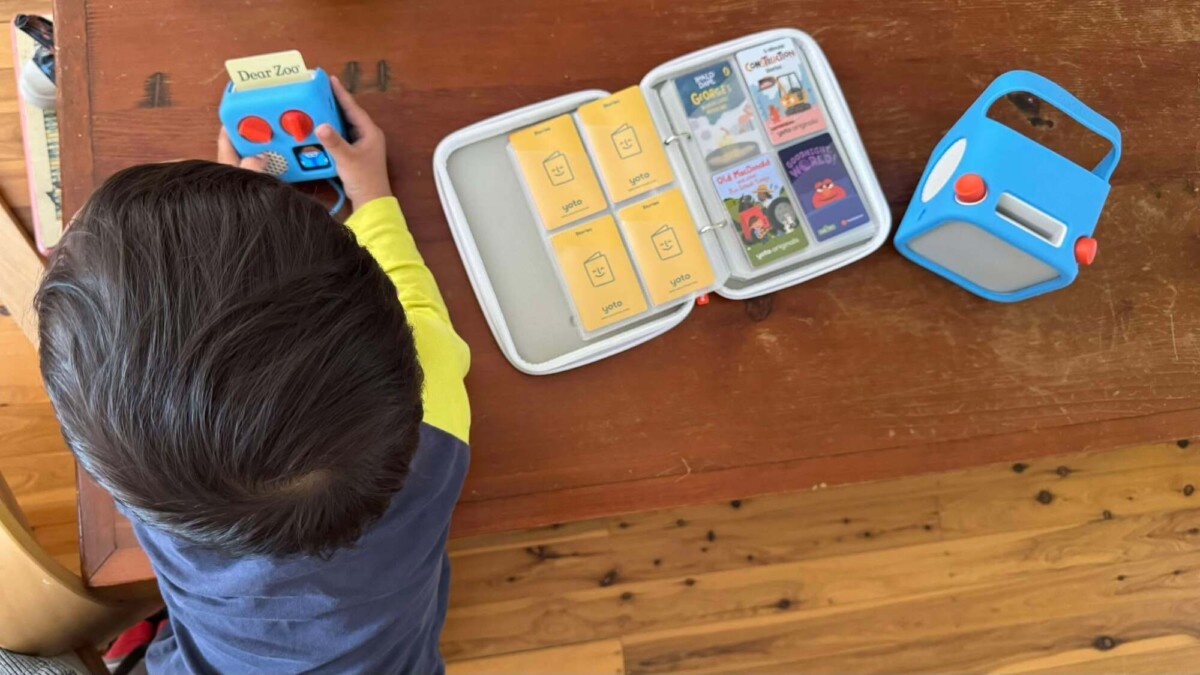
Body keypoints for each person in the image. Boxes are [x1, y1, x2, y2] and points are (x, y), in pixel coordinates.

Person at [35, 76, 470, 673]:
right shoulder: (438, 403)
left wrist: (244, 207)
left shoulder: (141, 471)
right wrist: (370, 193)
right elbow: (417, 309)